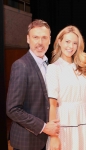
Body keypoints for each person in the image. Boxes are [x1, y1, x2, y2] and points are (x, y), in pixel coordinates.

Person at [6, 19, 60, 150]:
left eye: (44, 37)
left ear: (49, 40)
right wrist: (44, 127)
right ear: (28, 39)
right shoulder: (21, 65)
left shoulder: (50, 65)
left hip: (46, 140)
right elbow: (12, 110)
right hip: (27, 142)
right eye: (35, 37)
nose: (40, 42)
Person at [45, 25, 86, 150]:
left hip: (82, 121)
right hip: (63, 124)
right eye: (67, 41)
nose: (70, 46)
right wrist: (54, 136)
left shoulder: (84, 67)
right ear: (59, 42)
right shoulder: (54, 68)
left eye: (75, 43)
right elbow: (52, 104)